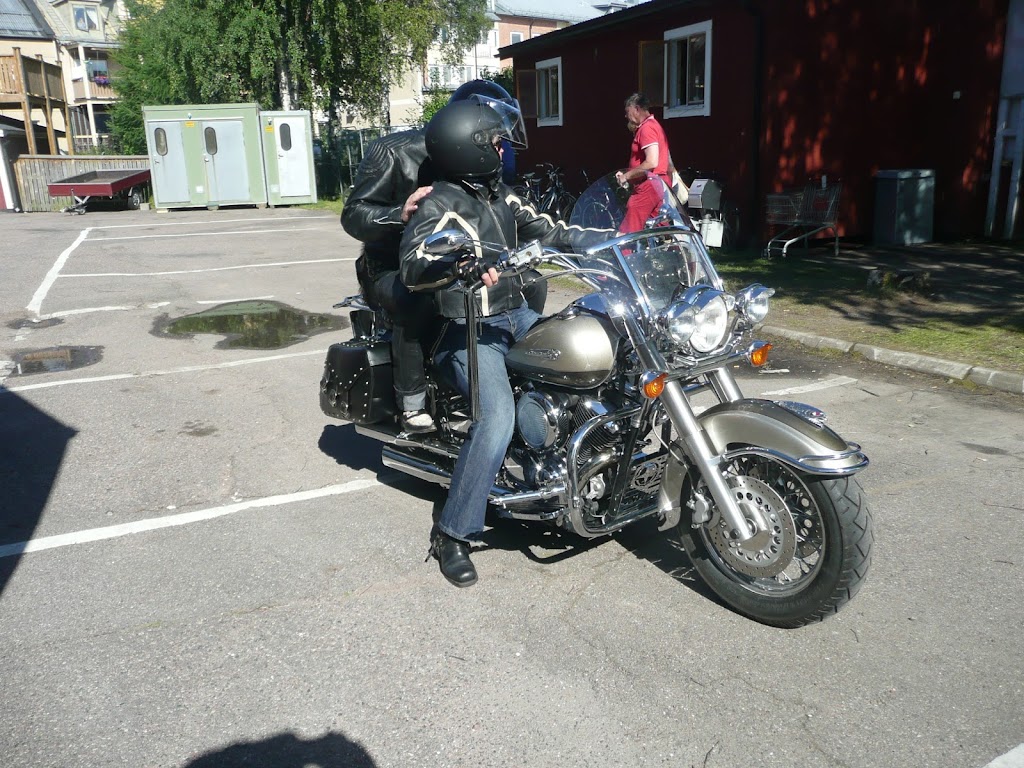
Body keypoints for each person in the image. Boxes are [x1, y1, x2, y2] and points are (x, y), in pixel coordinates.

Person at [400, 101, 611, 588]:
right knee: (496, 419)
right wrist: (459, 264)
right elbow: (414, 263)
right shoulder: (439, 203)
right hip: (467, 328)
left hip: (517, 317)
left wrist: (618, 239)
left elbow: (555, 231)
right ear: (469, 146)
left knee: (587, 358)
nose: (502, 150)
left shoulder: (504, 198)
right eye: (496, 142)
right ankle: (453, 533)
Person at [341, 80, 546, 434]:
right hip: (391, 266)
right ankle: (412, 402)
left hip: (464, 262)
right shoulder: (393, 151)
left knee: (532, 283)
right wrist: (397, 214)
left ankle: (509, 367)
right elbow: (353, 214)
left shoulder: (482, 154)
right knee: (417, 298)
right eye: (491, 129)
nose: (499, 141)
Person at [614, 92, 673, 234]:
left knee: (630, 229)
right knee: (658, 228)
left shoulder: (647, 128)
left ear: (637, 109)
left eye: (628, 112)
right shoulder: (654, 125)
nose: (626, 116)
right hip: (658, 184)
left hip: (648, 185)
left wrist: (626, 176)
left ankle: (628, 249)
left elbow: (651, 161)